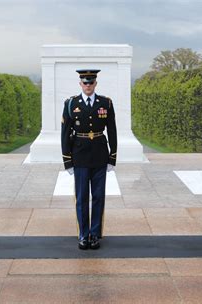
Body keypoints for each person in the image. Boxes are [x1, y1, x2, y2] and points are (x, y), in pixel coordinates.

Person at [61, 69, 117, 250]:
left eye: (91, 82)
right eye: (85, 83)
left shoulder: (106, 103)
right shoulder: (71, 104)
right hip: (80, 157)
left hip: (100, 155)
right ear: (80, 84)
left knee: (99, 197)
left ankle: (94, 235)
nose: (88, 85)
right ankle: (83, 235)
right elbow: (65, 134)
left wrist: (112, 156)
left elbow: (112, 131)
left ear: (95, 84)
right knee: (82, 198)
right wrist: (67, 160)